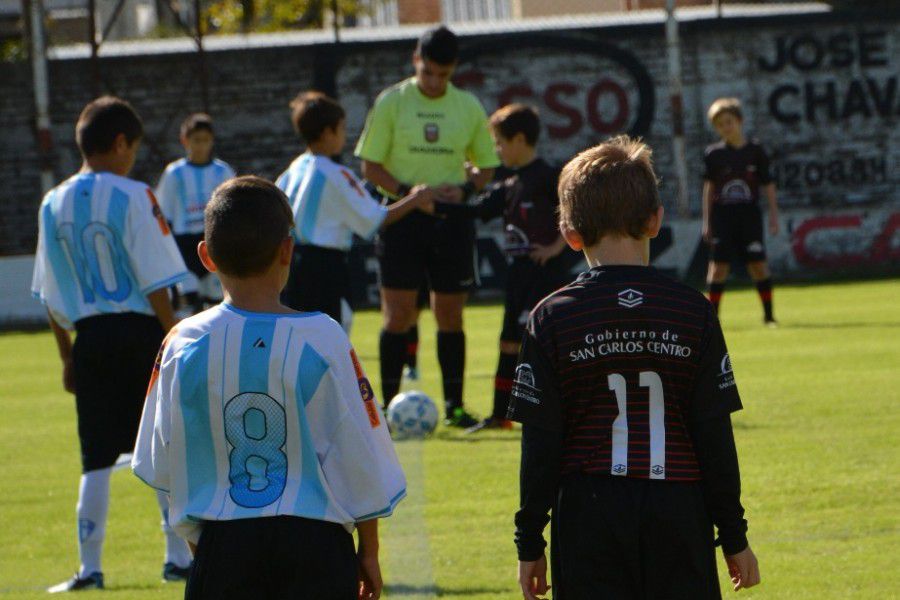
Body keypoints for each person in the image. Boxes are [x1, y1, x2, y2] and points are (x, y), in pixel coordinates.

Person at [509, 137, 760, 599]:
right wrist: (734, 535)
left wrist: (530, 541)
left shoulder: (553, 316)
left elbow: (540, 443)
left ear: (570, 233)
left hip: (588, 512)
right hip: (679, 510)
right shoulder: (692, 310)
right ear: (655, 220)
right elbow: (714, 434)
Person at [132, 176, 406, 600]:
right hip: (314, 545)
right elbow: (358, 450)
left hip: (223, 545)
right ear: (288, 249)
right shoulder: (322, 336)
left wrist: (204, 551)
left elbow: (165, 461)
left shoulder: (181, 342)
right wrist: (368, 550)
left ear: (205, 256)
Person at [31, 96, 191, 592]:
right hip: (141, 334)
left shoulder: (51, 201)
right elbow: (155, 279)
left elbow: (48, 290)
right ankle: (176, 558)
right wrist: (173, 338)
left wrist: (66, 357)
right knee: (167, 448)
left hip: (90, 338)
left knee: (95, 458)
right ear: (121, 144)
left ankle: (90, 568)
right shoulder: (135, 194)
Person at [355, 25, 500, 427]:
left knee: (450, 314)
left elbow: (487, 166)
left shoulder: (467, 106)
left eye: (444, 74)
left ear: (453, 70)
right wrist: (409, 192)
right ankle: (385, 408)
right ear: (416, 60)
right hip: (402, 219)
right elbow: (370, 165)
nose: (435, 81)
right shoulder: (392, 102)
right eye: (429, 72)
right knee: (397, 314)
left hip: (451, 224)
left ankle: (454, 406)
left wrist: (466, 187)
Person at [276, 91, 435, 331]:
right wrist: (415, 199)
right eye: (341, 128)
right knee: (331, 337)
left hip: (291, 265)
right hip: (325, 267)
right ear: (328, 132)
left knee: (298, 335)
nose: (344, 135)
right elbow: (376, 219)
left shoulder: (294, 169)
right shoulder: (337, 174)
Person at [459, 104, 569, 434]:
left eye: (500, 142)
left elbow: (575, 214)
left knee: (546, 343)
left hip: (545, 274)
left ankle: (560, 411)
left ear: (519, 139)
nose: (497, 150)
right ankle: (500, 415)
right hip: (518, 271)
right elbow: (475, 211)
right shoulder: (510, 182)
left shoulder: (549, 177)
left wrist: (554, 247)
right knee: (508, 342)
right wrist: (461, 188)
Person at [702, 97, 779, 325]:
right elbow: (708, 188)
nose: (725, 127)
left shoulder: (755, 151)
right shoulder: (713, 154)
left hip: (749, 215)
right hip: (723, 216)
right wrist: (706, 221)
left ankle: (769, 316)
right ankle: (712, 320)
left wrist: (773, 215)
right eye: (720, 124)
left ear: (740, 121)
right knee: (718, 268)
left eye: (729, 122)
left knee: (758, 264)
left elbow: (768, 185)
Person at [156, 113, 236, 316]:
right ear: (185, 140)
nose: (201, 146)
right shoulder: (174, 173)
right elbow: (164, 214)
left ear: (212, 141)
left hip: (213, 240)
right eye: (196, 140)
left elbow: (233, 209)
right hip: (184, 245)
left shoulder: (222, 171)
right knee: (187, 304)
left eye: (206, 140)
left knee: (216, 303)